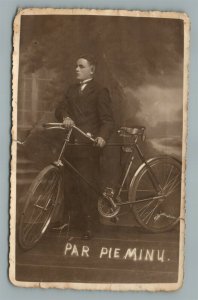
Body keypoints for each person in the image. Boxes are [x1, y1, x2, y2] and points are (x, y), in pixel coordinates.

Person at [54, 54, 114, 239]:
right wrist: (65, 117)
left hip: (89, 146)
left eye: (81, 66)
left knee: (87, 185)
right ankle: (68, 221)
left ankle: (89, 226)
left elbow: (107, 120)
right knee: (68, 184)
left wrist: (102, 137)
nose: (76, 69)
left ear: (92, 69)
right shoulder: (71, 89)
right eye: (76, 66)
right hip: (71, 143)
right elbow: (59, 109)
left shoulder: (100, 90)